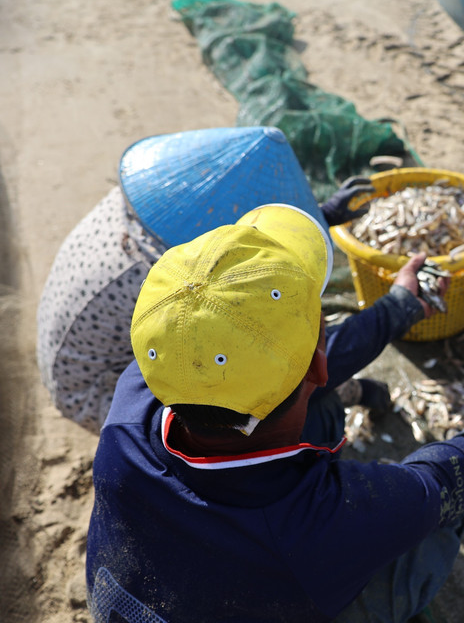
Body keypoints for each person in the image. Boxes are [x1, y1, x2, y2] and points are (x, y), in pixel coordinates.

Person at [85, 199, 464, 622]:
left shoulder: (134, 402)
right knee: (440, 521)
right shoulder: (322, 524)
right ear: (320, 363)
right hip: (285, 566)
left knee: (321, 411)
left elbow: (293, 370)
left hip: (154, 588)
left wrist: (398, 306)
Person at [35, 125, 387, 434]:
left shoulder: (151, 208)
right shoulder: (170, 279)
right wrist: (391, 315)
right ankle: (352, 398)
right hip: (93, 390)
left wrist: (319, 216)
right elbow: (271, 352)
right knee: (274, 383)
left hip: (84, 349)